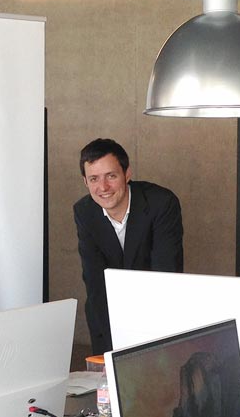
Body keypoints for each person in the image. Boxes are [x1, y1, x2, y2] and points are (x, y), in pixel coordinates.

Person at [74, 138, 183, 354]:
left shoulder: (161, 203)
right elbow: (95, 283)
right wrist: (112, 351)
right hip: (106, 316)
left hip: (157, 313)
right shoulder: (84, 212)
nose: (103, 187)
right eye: (94, 179)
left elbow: (166, 276)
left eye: (111, 176)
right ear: (85, 181)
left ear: (127, 174)